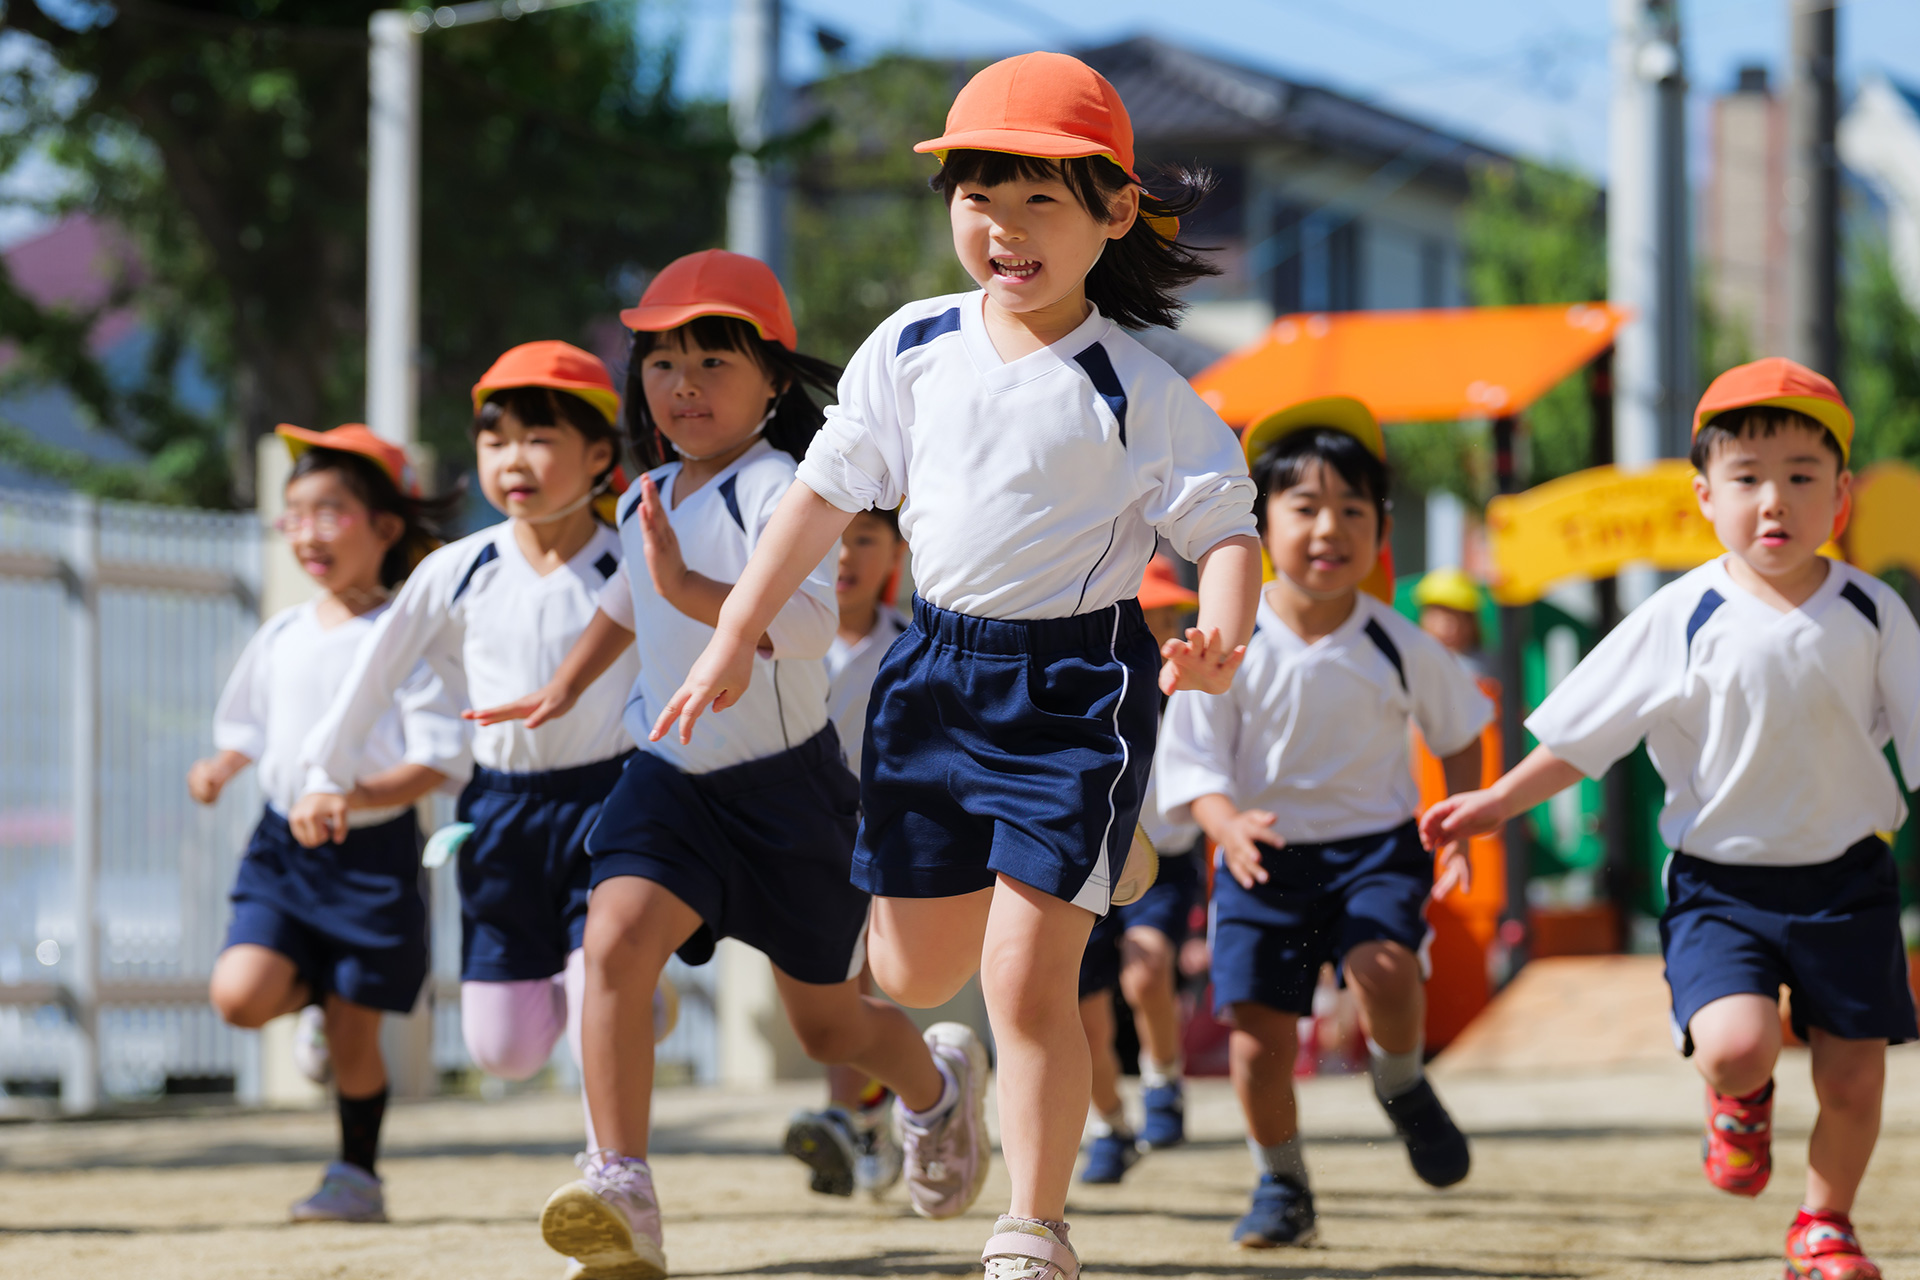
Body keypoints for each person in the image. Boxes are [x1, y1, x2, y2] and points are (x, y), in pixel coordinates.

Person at [650, 55, 1263, 1280]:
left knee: (1023, 974)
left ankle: (1034, 1224)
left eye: (1041, 200)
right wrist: (730, 632)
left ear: (1112, 211)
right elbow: (817, 501)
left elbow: (1226, 528)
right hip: (932, 677)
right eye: (980, 195)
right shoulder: (912, 343)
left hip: (1071, 691)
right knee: (906, 970)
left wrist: (1223, 634)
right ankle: (1090, 866)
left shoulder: (1136, 387)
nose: (1004, 228)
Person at [471, 250, 984, 1280]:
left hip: (788, 794)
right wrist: (563, 688)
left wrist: (685, 577)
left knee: (829, 1023)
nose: (684, 385)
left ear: (774, 381)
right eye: (662, 363)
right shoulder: (648, 490)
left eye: (713, 360)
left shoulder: (783, 485)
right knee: (612, 940)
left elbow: (800, 625)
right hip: (668, 780)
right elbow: (625, 610)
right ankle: (620, 1181)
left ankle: (933, 1090)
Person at [1422, 358, 1919, 1280]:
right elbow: (1584, 736)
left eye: (1802, 478)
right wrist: (1493, 804)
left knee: (1854, 1076)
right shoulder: (1682, 612)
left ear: (1841, 498)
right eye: (1748, 480)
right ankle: (1738, 1100)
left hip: (1848, 879)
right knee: (1737, 1048)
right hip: (1720, 885)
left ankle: (1824, 1226)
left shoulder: (1875, 613)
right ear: (1705, 496)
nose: (1775, 501)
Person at [293, 343, 663, 1145]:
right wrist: (325, 774)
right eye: (495, 442)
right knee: (504, 1049)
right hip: (499, 813)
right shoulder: (456, 569)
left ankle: (614, 1167)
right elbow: (374, 673)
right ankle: (629, 998)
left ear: (600, 456)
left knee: (601, 986)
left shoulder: (633, 559)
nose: (513, 461)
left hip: (612, 805)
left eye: (540, 439)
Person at [1158, 396, 1491, 1248]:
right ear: (1262, 522)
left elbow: (1460, 731)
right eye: (1304, 507)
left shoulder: (1398, 641)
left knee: (1385, 969)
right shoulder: (1232, 639)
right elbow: (1192, 759)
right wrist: (1224, 823)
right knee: (1257, 1044)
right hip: (1261, 859)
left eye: (1353, 510)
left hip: (1374, 852)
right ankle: (1282, 1186)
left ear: (1381, 530)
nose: (1328, 528)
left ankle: (1403, 1081)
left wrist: (1452, 823)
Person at [191, 424, 470, 1223]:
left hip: (373, 856)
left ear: (384, 526)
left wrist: (351, 796)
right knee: (238, 998)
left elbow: (442, 762)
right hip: (281, 849)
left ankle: (357, 1177)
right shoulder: (280, 632)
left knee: (355, 1043)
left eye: (329, 512)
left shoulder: (406, 640)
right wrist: (220, 768)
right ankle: (313, 995)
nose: (306, 532)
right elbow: (244, 726)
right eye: (294, 514)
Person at [785, 502, 911, 1200]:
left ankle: (853, 1119)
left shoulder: (912, 645)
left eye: (864, 539)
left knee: (857, 978)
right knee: (835, 989)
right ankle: (866, 1121)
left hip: (885, 836)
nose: (845, 557)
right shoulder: (782, 640)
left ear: (896, 553)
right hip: (799, 837)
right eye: (830, 539)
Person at [1077, 556, 1206, 1184]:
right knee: (1082, 1012)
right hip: (1085, 858)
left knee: (1148, 969)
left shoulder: (1195, 690)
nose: (1165, 626)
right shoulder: (1086, 682)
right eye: (1150, 614)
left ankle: (1163, 1080)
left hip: (1166, 857)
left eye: (1173, 613)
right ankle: (1109, 1126)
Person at [1413, 567, 1490, 679]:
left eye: (1457, 618)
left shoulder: (1481, 667)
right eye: (1437, 616)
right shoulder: (1412, 661)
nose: (1446, 629)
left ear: (1471, 625)